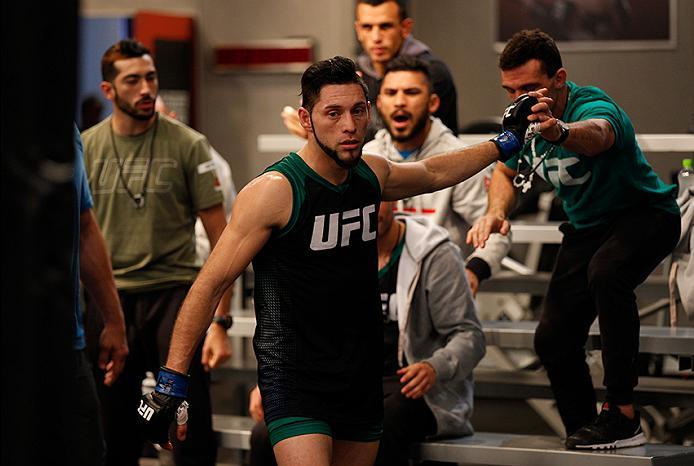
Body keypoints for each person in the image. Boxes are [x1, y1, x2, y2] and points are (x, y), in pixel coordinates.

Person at [137, 55, 539, 465]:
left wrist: (504, 142)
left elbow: (435, 172)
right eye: (333, 113)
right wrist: (171, 381)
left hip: (360, 373)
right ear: (306, 120)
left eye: (358, 110)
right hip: (295, 374)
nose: (349, 126)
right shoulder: (275, 191)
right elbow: (209, 284)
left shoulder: (371, 174)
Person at [467, 29, 681, 450]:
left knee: (607, 273)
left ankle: (622, 414)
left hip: (644, 215)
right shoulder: (521, 121)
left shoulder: (592, 105)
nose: (520, 98)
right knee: (552, 339)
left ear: (560, 78)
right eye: (511, 90)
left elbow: (599, 134)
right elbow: (506, 173)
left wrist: (559, 131)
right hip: (587, 229)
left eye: (530, 88)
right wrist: (495, 210)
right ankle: (586, 433)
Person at [81, 39, 232, 466]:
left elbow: (223, 240)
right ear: (109, 91)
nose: (146, 88)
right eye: (133, 80)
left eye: (151, 77)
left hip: (174, 295)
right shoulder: (87, 147)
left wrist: (219, 322)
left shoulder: (188, 144)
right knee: (113, 427)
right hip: (110, 297)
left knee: (188, 422)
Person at [246, 200, 486, 466]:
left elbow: (469, 335)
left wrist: (434, 367)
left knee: (380, 424)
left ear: (395, 200)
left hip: (412, 384)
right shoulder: (332, 252)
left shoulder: (434, 254)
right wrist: (274, 383)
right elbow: (306, 328)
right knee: (265, 434)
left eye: (377, 201)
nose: (370, 212)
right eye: (360, 203)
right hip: (344, 380)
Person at [363, 56, 510, 295]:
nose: (399, 102)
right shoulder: (368, 158)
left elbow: (497, 232)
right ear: (379, 103)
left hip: (441, 287)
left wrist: (473, 271)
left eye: (411, 92)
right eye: (391, 93)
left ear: (432, 103)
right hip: (380, 289)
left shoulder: (461, 161)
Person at [281, 0, 458, 141]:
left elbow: (404, 139)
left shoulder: (430, 73)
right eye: (367, 27)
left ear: (405, 28)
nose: (376, 38)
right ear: (358, 30)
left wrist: (326, 131)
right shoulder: (356, 72)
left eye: (385, 26)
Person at [70, 123, 129, 465]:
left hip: (64, 346)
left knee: (88, 452)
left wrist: (113, 318)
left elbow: (85, 226)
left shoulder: (62, 130)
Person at [154, 95, 238, 264]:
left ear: (172, 119)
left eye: (158, 121)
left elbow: (211, 232)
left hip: (199, 265)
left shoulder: (203, 157)